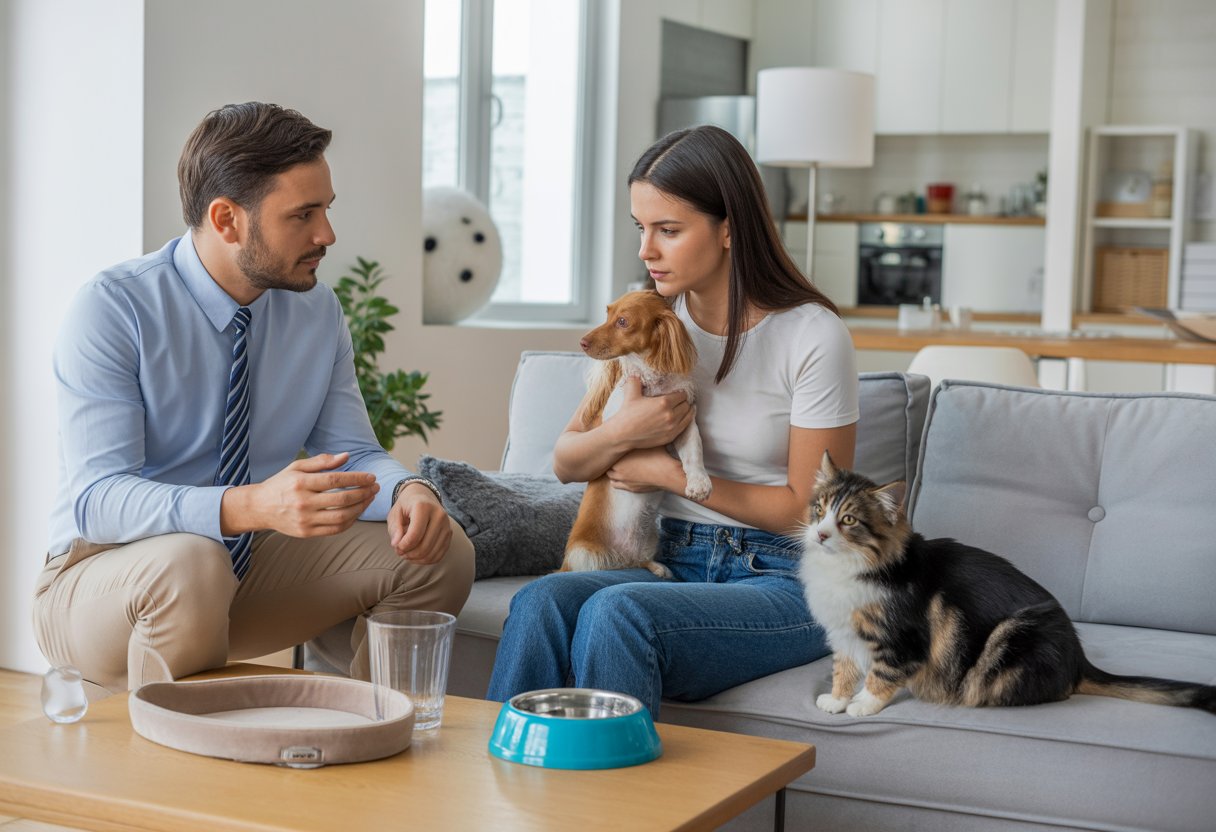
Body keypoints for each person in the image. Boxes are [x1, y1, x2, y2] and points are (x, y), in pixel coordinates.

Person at [33, 102, 474, 693]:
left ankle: (370, 735)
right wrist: (251, 507)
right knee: (191, 563)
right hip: (100, 581)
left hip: (242, 569)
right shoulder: (115, 308)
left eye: (327, 209)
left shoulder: (316, 310)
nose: (327, 235)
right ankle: (170, 774)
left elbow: (352, 452)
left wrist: (409, 490)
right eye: (303, 215)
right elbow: (99, 500)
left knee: (439, 551)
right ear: (226, 219)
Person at [487, 125, 859, 716]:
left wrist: (663, 473)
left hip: (781, 578)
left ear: (730, 227)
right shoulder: (647, 325)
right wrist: (621, 437)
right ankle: (496, 792)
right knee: (542, 603)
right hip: (671, 556)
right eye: (641, 228)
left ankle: (611, 804)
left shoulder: (811, 334)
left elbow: (806, 511)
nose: (646, 250)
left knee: (617, 614)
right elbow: (565, 461)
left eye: (669, 230)